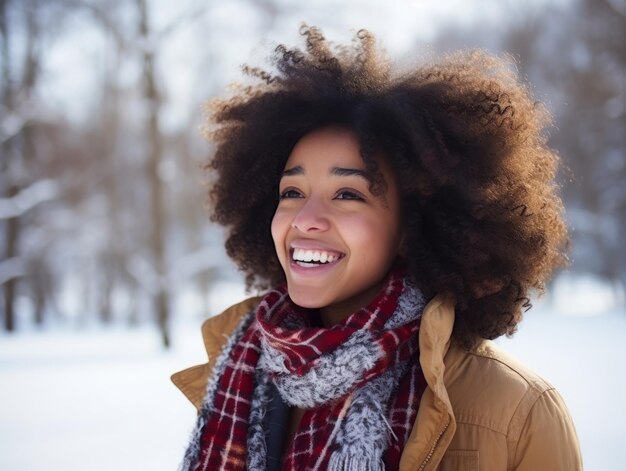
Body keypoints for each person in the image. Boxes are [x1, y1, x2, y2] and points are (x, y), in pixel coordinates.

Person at [172, 25, 583, 471]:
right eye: (291, 192)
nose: (305, 218)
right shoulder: (239, 381)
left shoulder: (519, 413)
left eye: (348, 194)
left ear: (412, 226)